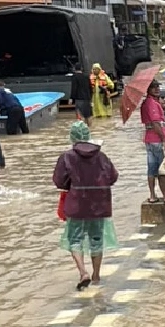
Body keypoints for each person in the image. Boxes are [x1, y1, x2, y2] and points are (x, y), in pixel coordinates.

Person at [54, 120, 119, 290]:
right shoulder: (101, 156)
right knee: (96, 239)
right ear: (88, 135)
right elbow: (113, 176)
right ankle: (96, 276)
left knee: (75, 239)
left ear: (72, 137)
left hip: (76, 205)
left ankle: (83, 272)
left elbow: (59, 181)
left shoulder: (67, 157)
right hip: (99, 205)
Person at [142, 81, 165, 204]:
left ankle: (152, 195)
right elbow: (156, 124)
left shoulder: (146, 103)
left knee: (151, 168)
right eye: (153, 87)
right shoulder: (152, 104)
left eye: (157, 87)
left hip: (149, 139)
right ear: (148, 89)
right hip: (157, 139)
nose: (156, 89)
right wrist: (164, 139)